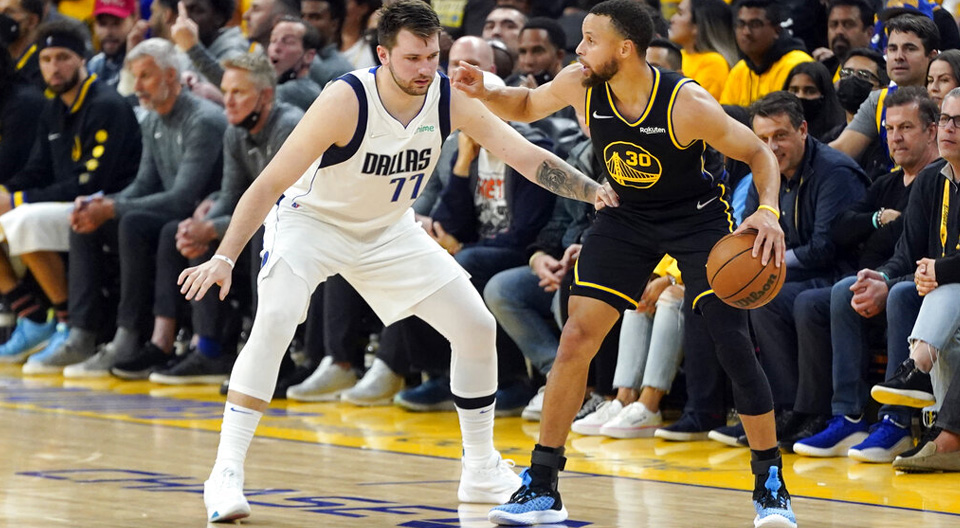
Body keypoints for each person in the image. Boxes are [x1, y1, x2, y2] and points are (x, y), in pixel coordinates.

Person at [178, 1, 616, 522]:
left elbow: (524, 155)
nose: (425, 68)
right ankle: (225, 471)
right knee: (274, 321)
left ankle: (479, 466)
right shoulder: (345, 99)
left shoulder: (446, 97)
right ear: (383, 54)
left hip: (389, 231)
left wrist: (594, 193)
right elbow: (269, 182)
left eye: (433, 56)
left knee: (475, 326)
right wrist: (226, 256)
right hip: (312, 224)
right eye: (412, 58)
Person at [453, 1, 794, 526]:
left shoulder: (687, 103)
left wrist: (768, 211)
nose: (579, 49)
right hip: (625, 214)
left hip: (695, 218)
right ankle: (541, 485)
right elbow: (523, 105)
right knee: (575, 338)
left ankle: (770, 482)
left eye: (590, 40)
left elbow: (759, 154)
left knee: (731, 341)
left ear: (625, 48)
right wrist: (487, 90)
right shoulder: (581, 83)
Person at [23, 38, 226, 376]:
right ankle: (82, 333)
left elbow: (182, 197)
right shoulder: (151, 119)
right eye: (135, 77)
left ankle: (129, 336)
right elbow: (143, 184)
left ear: (172, 76)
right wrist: (101, 204)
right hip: (168, 210)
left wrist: (114, 209)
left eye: (146, 76)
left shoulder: (201, 120)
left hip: (201, 211)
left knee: (131, 222)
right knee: (86, 222)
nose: (138, 87)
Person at [0, 21, 140, 364]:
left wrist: (17, 200)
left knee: (23, 219)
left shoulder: (105, 105)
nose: (53, 67)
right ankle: (32, 316)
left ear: (82, 60)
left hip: (105, 208)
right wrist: (6, 191)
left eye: (62, 57)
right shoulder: (53, 108)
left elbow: (88, 184)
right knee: (14, 212)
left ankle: (68, 323)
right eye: (46, 59)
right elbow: (37, 168)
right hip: (66, 205)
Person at [830, 14, 939, 168]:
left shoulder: (948, 101)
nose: (898, 57)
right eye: (893, 49)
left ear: (932, 56)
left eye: (909, 48)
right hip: (897, 187)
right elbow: (840, 150)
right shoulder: (879, 100)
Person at [719, 0, 813, 107]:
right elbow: (723, 117)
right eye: (741, 24)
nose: (746, 32)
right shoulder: (740, 70)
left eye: (755, 24)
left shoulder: (798, 66)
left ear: (777, 30)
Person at [668, 0, 738, 100]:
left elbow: (697, 107)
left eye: (680, 13)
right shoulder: (680, 54)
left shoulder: (713, 62)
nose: (672, 19)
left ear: (697, 25)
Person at [172, 0, 251, 85]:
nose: (186, 19)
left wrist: (193, 49)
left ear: (219, 18)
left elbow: (234, 85)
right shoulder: (181, 46)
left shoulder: (234, 48)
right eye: (183, 10)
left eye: (196, 11)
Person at [811, 0, 875, 81]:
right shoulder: (820, 74)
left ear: (869, 33)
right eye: (834, 24)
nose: (839, 31)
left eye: (848, 24)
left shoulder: (884, 73)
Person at [269, 16, 323, 111]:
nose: (276, 48)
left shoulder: (302, 91)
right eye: (273, 40)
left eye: (288, 42)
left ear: (309, 56)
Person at [783, 62, 845, 142]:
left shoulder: (837, 134)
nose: (800, 96)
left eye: (810, 91)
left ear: (824, 94)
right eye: (794, 91)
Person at [87, 0, 138, 88]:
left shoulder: (146, 64)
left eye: (116, 23)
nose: (108, 32)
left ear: (134, 21)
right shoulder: (94, 65)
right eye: (102, 24)